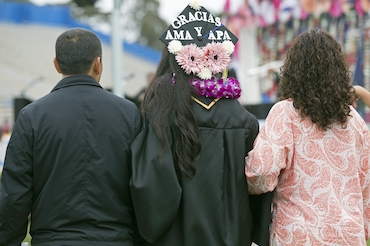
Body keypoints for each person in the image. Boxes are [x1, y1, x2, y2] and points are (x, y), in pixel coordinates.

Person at [129, 1, 273, 245]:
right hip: (232, 237)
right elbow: (257, 186)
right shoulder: (242, 120)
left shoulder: (162, 113)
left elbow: (151, 185)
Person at [0, 28, 143, 245]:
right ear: (98, 64)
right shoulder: (129, 113)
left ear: (56, 64)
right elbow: (144, 184)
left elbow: (14, 194)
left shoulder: (32, 116)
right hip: (117, 239)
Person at [245, 29, 370, 245]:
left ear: (293, 71)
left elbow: (261, 174)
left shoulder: (284, 113)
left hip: (297, 235)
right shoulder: (355, 121)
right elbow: (366, 187)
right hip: (348, 235)